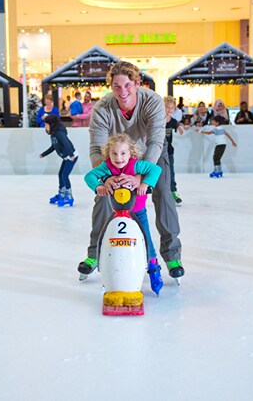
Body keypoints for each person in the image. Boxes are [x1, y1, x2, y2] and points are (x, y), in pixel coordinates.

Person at [79, 60, 184, 281]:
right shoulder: (102, 108)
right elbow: (96, 148)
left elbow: (156, 141)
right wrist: (105, 179)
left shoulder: (152, 101)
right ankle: (94, 253)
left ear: (137, 83)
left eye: (127, 85)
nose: (122, 91)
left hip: (151, 153)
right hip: (119, 155)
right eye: (116, 86)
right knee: (104, 194)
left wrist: (140, 177)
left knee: (163, 192)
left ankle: (172, 255)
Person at [84, 133, 164, 294]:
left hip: (138, 211)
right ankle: (106, 269)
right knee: (106, 237)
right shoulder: (107, 167)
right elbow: (89, 176)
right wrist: (98, 186)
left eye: (122, 153)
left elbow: (155, 169)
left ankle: (154, 268)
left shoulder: (136, 165)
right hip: (116, 213)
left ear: (130, 153)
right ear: (108, 153)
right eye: (114, 153)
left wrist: (145, 183)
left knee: (146, 238)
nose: (118, 158)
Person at [40, 114, 79, 206]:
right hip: (67, 157)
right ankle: (61, 194)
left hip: (71, 156)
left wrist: (71, 154)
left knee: (65, 175)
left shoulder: (59, 133)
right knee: (60, 174)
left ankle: (69, 197)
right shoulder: (53, 134)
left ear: (52, 124)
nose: (45, 127)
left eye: (46, 124)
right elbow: (54, 146)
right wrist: (44, 154)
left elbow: (66, 143)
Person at [164, 96, 183, 203]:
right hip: (157, 151)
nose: (170, 110)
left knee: (171, 171)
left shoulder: (174, 122)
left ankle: (173, 191)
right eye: (167, 107)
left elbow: (179, 128)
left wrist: (181, 128)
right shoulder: (158, 120)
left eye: (172, 108)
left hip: (169, 150)